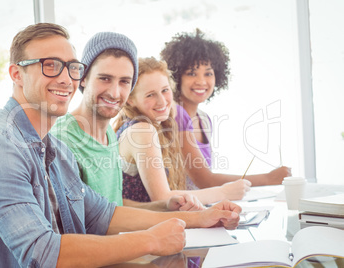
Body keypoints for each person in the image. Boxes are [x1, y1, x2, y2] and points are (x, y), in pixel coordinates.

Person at [0, 23, 241, 267]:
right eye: (50, 66)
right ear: (16, 74)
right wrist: (151, 239)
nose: (65, 78)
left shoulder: (52, 148)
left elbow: (102, 213)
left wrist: (199, 217)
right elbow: (40, 252)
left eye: (71, 67)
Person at [51, 32, 203, 211]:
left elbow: (113, 208)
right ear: (83, 77)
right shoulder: (62, 139)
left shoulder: (108, 132)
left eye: (124, 81)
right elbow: (81, 227)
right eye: (105, 79)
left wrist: (164, 206)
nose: (115, 93)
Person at [160, 28, 292, 190]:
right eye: (191, 73)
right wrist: (268, 178)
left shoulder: (204, 119)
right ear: (176, 76)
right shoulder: (175, 114)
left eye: (208, 74)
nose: (201, 81)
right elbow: (205, 181)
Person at [113, 57, 250, 205]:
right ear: (130, 100)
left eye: (165, 90)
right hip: (140, 227)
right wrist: (223, 192)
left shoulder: (151, 125)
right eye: (150, 95)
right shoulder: (142, 130)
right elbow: (162, 197)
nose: (162, 101)